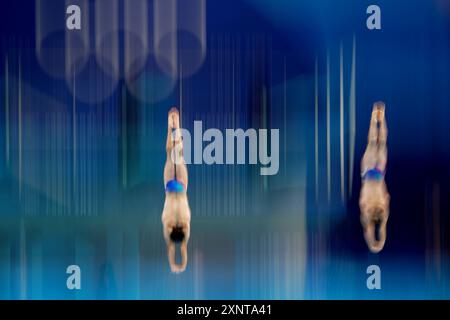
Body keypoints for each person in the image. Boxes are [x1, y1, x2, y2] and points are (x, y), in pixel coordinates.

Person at [162, 107, 191, 273]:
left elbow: (175, 248)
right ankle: (175, 126)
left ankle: (172, 126)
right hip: (179, 186)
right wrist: (178, 264)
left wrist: (177, 263)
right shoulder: (181, 226)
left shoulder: (171, 225)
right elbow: (178, 248)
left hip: (173, 186)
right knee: (176, 153)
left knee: (172, 153)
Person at [359, 101, 390, 253]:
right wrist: (379, 243)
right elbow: (382, 231)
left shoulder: (367, 212)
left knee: (373, 143)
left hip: (369, 174)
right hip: (378, 175)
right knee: (381, 144)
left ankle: (375, 116)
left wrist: (374, 244)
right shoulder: (383, 213)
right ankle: (381, 116)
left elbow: (370, 233)